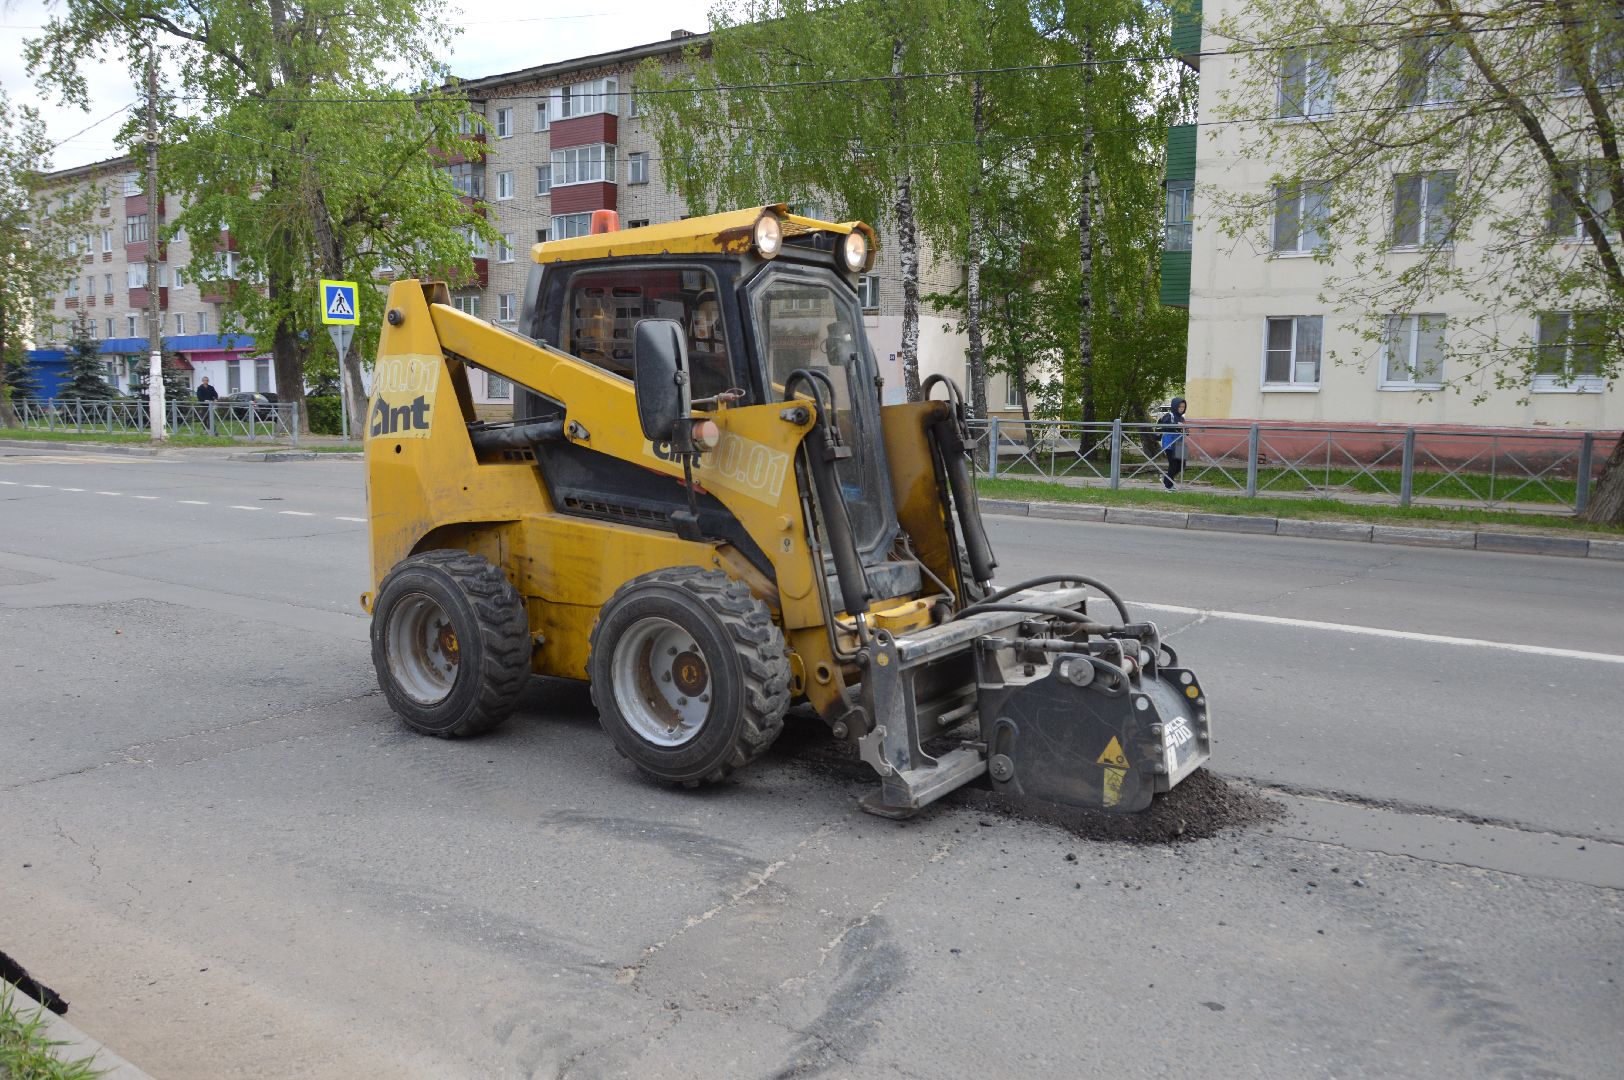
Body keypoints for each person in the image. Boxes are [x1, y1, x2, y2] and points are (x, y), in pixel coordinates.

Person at [1157, 396, 1188, 490]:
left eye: (1183, 407)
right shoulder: (1169, 415)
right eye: (1180, 407)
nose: (1181, 409)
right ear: (1175, 406)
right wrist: (1176, 425)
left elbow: (1186, 432)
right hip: (1170, 443)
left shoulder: (1182, 418)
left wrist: (1186, 429)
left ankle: (1166, 479)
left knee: (1182, 464)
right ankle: (1169, 486)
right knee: (1173, 464)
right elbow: (1164, 426)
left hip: (1180, 444)